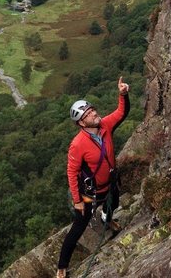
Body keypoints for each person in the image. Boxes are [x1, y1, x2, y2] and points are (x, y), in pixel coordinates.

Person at [56, 76, 130, 278]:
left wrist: (123, 94)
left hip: (110, 183)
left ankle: (106, 217)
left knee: (113, 203)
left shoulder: (105, 125)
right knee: (78, 228)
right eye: (88, 113)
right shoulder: (78, 144)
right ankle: (61, 267)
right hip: (89, 193)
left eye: (93, 109)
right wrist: (77, 201)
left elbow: (121, 112)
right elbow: (71, 172)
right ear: (81, 122)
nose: (94, 113)